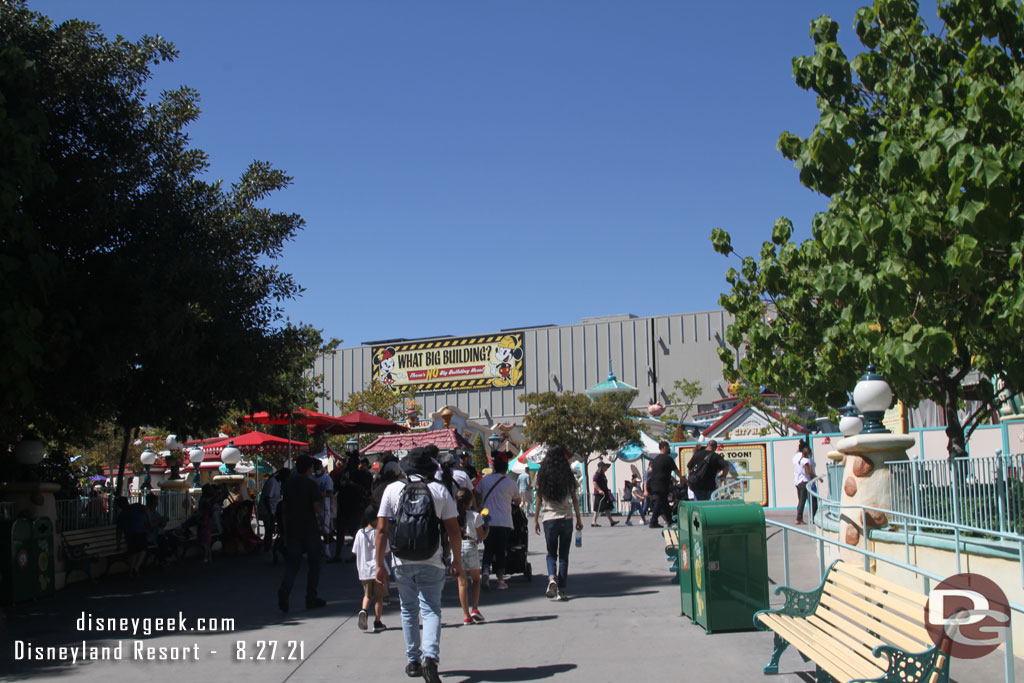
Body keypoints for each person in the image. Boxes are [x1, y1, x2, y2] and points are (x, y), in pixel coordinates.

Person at [376, 447, 463, 682]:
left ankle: (413, 660)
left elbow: (382, 529)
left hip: (401, 559)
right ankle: (430, 657)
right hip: (432, 557)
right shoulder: (439, 490)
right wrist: (457, 561)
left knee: (408, 608)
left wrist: (378, 564)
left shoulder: (392, 490)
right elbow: (453, 530)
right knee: (431, 609)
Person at [532, 444, 584, 601]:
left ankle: (551, 578)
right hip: (566, 518)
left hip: (549, 518)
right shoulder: (568, 474)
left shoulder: (541, 474)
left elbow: (539, 499)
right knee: (563, 556)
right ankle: (562, 590)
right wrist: (579, 519)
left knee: (551, 553)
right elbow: (574, 499)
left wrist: (535, 519)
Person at [277, 454, 326, 612]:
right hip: (309, 529)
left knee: (293, 564)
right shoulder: (311, 485)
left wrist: (284, 530)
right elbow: (317, 508)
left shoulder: (289, 485)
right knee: (314, 564)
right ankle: (311, 597)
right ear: (309, 468)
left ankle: (285, 589)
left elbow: (284, 509)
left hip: (292, 529)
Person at [475, 453, 521, 590]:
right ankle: (501, 580)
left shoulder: (485, 480)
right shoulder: (510, 483)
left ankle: (485, 572)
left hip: (487, 520)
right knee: (501, 550)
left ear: (494, 466)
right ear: (506, 468)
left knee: (488, 548)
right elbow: (518, 501)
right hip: (504, 521)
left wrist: (478, 509)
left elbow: (476, 494)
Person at [455, 487, 488, 625]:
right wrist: (488, 528)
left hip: (457, 547)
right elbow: (482, 536)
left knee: (462, 583)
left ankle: (466, 615)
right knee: (475, 580)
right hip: (471, 545)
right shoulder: (475, 516)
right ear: (470, 502)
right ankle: (475, 608)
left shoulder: (453, 516)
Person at [353, 505, 387, 633]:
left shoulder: (359, 533)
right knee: (379, 597)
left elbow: (355, 551)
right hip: (378, 569)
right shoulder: (379, 533)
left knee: (367, 595)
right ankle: (377, 622)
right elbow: (385, 551)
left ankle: (364, 611)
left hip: (364, 571)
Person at [115, 496, 149, 578]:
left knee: (133, 552)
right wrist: (148, 520)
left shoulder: (121, 515)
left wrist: (118, 544)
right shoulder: (136, 506)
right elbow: (146, 509)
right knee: (143, 550)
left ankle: (131, 570)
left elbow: (119, 531)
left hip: (130, 535)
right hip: (140, 532)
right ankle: (136, 567)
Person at [258, 468, 290, 552]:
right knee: (268, 530)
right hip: (267, 510)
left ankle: (268, 546)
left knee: (270, 530)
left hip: (272, 509)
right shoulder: (272, 482)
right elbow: (267, 499)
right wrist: (270, 513)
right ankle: (267, 548)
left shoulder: (277, 483)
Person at [794, 442, 817, 525]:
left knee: (801, 501)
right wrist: (817, 477)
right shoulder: (806, 460)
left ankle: (799, 518)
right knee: (813, 501)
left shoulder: (796, 457)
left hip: (797, 481)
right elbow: (808, 472)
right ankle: (807, 518)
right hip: (806, 482)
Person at [590, 461, 618, 527]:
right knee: (597, 508)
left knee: (606, 507)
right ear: (602, 467)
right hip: (599, 494)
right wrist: (599, 490)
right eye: (605, 466)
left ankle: (611, 521)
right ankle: (594, 522)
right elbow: (594, 482)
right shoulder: (598, 474)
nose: (606, 468)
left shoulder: (603, 475)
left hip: (604, 493)